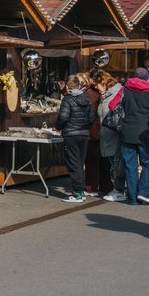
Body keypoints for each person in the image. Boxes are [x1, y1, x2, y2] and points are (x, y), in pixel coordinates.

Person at [108, 67, 149, 205]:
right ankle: (144, 193)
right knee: (148, 164)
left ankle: (132, 197)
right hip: (145, 133)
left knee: (130, 166)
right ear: (147, 78)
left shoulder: (124, 89)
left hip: (127, 132)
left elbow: (112, 106)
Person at [56, 73, 96, 203]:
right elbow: (91, 117)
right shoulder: (86, 97)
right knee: (79, 163)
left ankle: (77, 193)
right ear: (79, 85)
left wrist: (58, 127)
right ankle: (80, 192)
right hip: (84, 134)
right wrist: (85, 126)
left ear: (67, 86)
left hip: (71, 135)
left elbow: (63, 117)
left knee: (74, 165)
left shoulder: (67, 99)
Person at [91, 69, 125, 201]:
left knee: (117, 163)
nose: (96, 88)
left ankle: (119, 190)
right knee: (114, 163)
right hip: (106, 135)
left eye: (97, 85)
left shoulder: (118, 94)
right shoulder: (105, 95)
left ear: (104, 82)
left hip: (115, 135)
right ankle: (118, 189)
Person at [82, 72, 103, 197]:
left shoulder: (91, 93)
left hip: (92, 132)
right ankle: (94, 185)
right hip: (97, 131)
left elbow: (88, 113)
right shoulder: (98, 93)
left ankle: (90, 186)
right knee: (95, 161)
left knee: (91, 161)